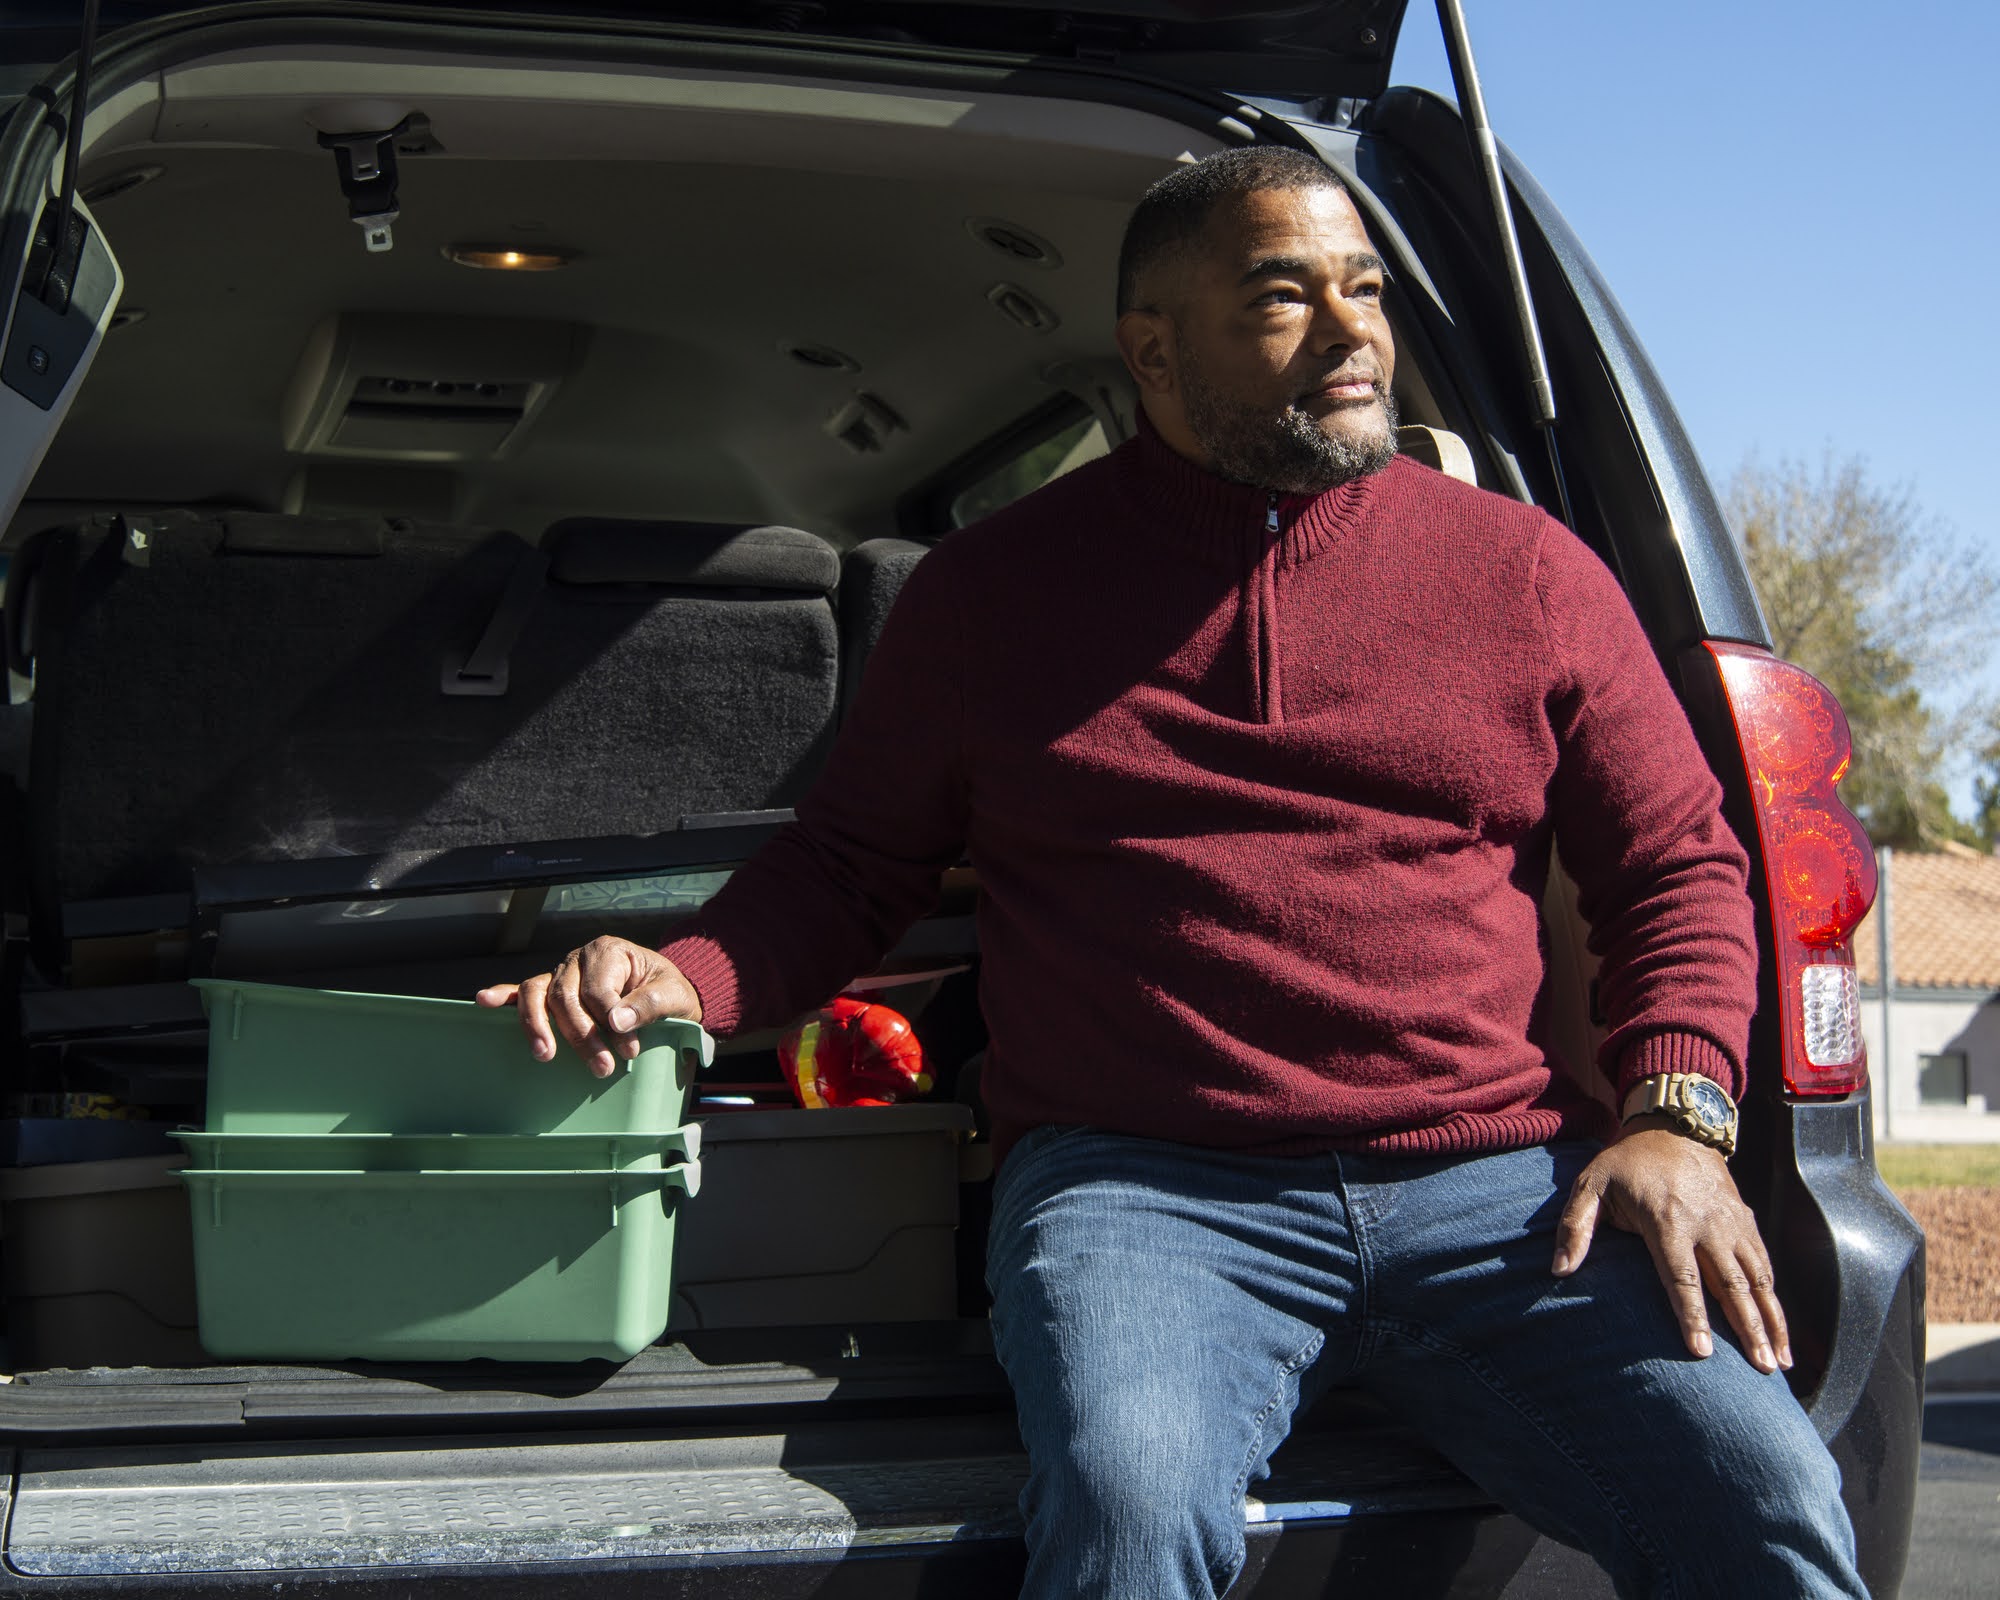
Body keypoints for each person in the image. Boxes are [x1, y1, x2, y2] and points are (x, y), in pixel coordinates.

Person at [478, 147, 1865, 1598]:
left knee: (1762, 1484)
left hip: (1497, 1184)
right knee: (1129, 1509)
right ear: (1152, 349)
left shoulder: (1525, 572)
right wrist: (681, 978)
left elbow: (1679, 864)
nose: (1353, 335)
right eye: (1283, 296)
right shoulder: (987, 599)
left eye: (1367, 289)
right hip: (1144, 1193)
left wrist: (1678, 1119)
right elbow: (847, 869)